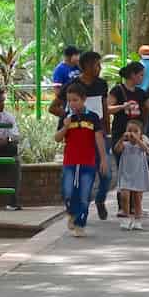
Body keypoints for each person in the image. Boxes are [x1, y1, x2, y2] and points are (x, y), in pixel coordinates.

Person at [57, 81, 106, 236]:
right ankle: (71, 212)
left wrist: (103, 159)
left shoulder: (92, 117)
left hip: (88, 161)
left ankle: (80, 224)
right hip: (70, 161)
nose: (72, 103)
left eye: (75, 100)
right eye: (69, 100)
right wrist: (65, 126)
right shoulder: (66, 117)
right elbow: (57, 138)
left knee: (84, 193)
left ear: (83, 99)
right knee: (68, 191)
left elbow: (99, 138)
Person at [107, 61, 149, 219]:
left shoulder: (141, 92)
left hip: (137, 134)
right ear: (132, 75)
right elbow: (107, 108)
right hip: (121, 132)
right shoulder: (118, 90)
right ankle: (123, 206)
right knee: (123, 168)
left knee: (136, 167)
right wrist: (122, 107)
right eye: (141, 75)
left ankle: (134, 206)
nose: (142, 78)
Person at [114, 121, 149, 230]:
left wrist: (137, 139)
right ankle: (126, 219)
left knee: (137, 198)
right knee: (124, 196)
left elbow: (146, 150)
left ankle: (137, 220)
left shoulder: (141, 143)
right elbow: (117, 149)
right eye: (129, 130)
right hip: (125, 175)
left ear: (141, 134)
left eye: (135, 131)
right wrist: (122, 138)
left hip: (138, 175)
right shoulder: (125, 145)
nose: (132, 133)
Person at [50, 45, 81, 125]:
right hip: (67, 100)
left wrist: (78, 64)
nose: (78, 57)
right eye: (76, 55)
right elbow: (57, 89)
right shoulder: (60, 69)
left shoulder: (78, 67)